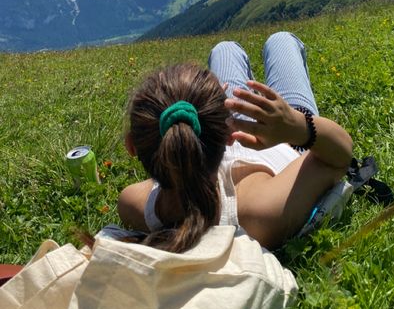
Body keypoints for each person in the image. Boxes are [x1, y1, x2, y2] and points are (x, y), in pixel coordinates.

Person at [119, 31, 353, 252]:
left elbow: (181, 159)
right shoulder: (261, 212)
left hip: (215, 129)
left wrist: (213, 115)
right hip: (287, 137)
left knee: (224, 49)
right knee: (280, 41)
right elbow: (338, 157)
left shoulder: (133, 204)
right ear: (228, 131)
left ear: (132, 146)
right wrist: (295, 124)